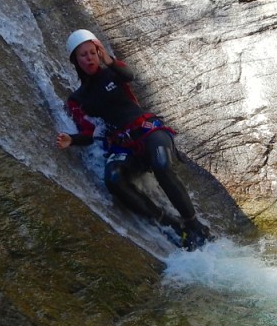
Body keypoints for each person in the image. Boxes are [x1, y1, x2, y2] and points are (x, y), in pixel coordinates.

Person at [55, 29, 212, 250]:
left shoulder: (112, 73)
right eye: (83, 55)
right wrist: (71, 140)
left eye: (92, 52)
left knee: (161, 164)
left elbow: (129, 75)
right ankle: (171, 223)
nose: (89, 58)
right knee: (113, 178)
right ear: (75, 60)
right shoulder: (77, 99)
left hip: (149, 131)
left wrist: (108, 60)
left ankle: (193, 223)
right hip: (123, 146)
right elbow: (89, 132)